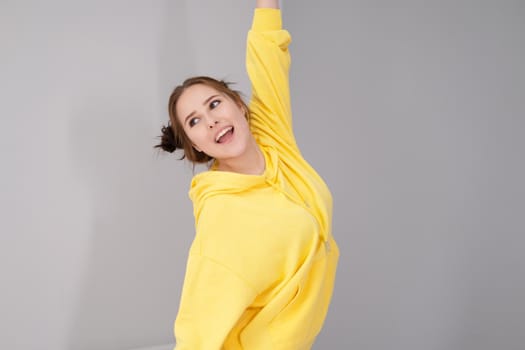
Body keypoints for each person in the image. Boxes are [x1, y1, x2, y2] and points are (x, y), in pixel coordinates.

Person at [155, 0, 339, 348]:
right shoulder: (222, 214)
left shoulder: (273, 138)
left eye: (214, 104)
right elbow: (199, 318)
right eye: (194, 122)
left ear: (239, 105)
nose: (211, 120)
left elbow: (267, 48)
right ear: (196, 145)